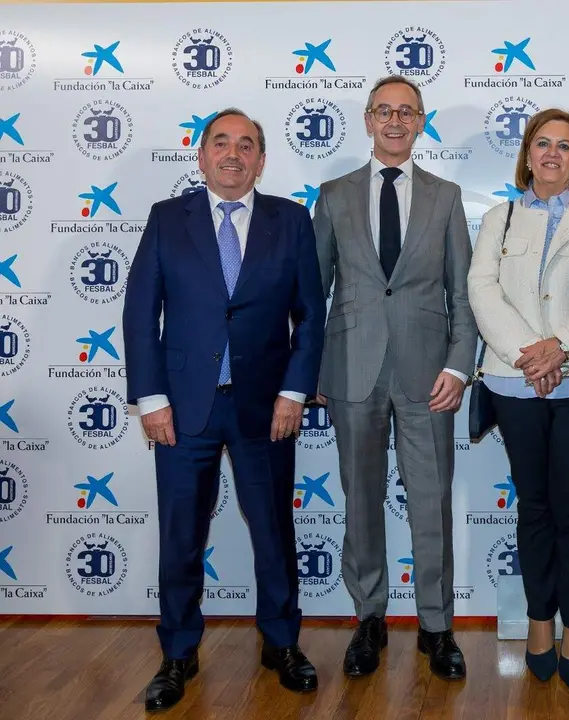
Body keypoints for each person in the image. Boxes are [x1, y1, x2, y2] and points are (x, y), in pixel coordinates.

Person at [122, 108, 326, 712]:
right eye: (221, 144)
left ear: (262, 160)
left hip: (268, 410)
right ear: (201, 154)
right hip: (183, 410)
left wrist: (293, 392)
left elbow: (310, 315)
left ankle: (281, 643)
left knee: (273, 532)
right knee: (182, 535)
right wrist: (152, 399)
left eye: (246, 146)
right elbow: (140, 315)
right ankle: (178, 651)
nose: (233, 155)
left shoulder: (290, 220)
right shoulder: (167, 219)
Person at [312, 75, 477, 681]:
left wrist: (459, 364)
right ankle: (369, 619)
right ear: (367, 119)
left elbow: (462, 294)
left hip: (428, 374)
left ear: (421, 120)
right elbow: (313, 292)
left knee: (429, 503)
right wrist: (315, 371)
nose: (395, 120)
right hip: (352, 370)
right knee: (361, 501)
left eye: (407, 112)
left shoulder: (446, 196)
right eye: (385, 111)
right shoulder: (332, 195)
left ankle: (436, 626)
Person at [468, 108, 569, 688]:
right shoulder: (499, 218)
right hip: (514, 383)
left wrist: (560, 348)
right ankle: (541, 621)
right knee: (534, 507)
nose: (553, 154)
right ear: (528, 153)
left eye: (565, 146)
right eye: (543, 144)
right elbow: (480, 291)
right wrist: (527, 356)